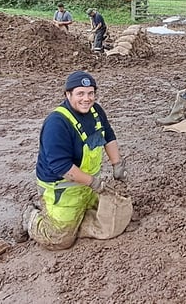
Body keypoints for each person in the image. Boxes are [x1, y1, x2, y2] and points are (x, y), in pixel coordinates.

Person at [21, 70, 128, 250]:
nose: (86, 99)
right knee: (60, 240)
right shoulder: (57, 123)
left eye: (90, 93)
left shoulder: (95, 111)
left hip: (88, 184)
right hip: (62, 188)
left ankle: (77, 214)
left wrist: (117, 164)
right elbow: (61, 166)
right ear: (68, 94)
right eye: (80, 94)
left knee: (115, 211)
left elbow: (108, 135)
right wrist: (93, 182)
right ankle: (31, 217)